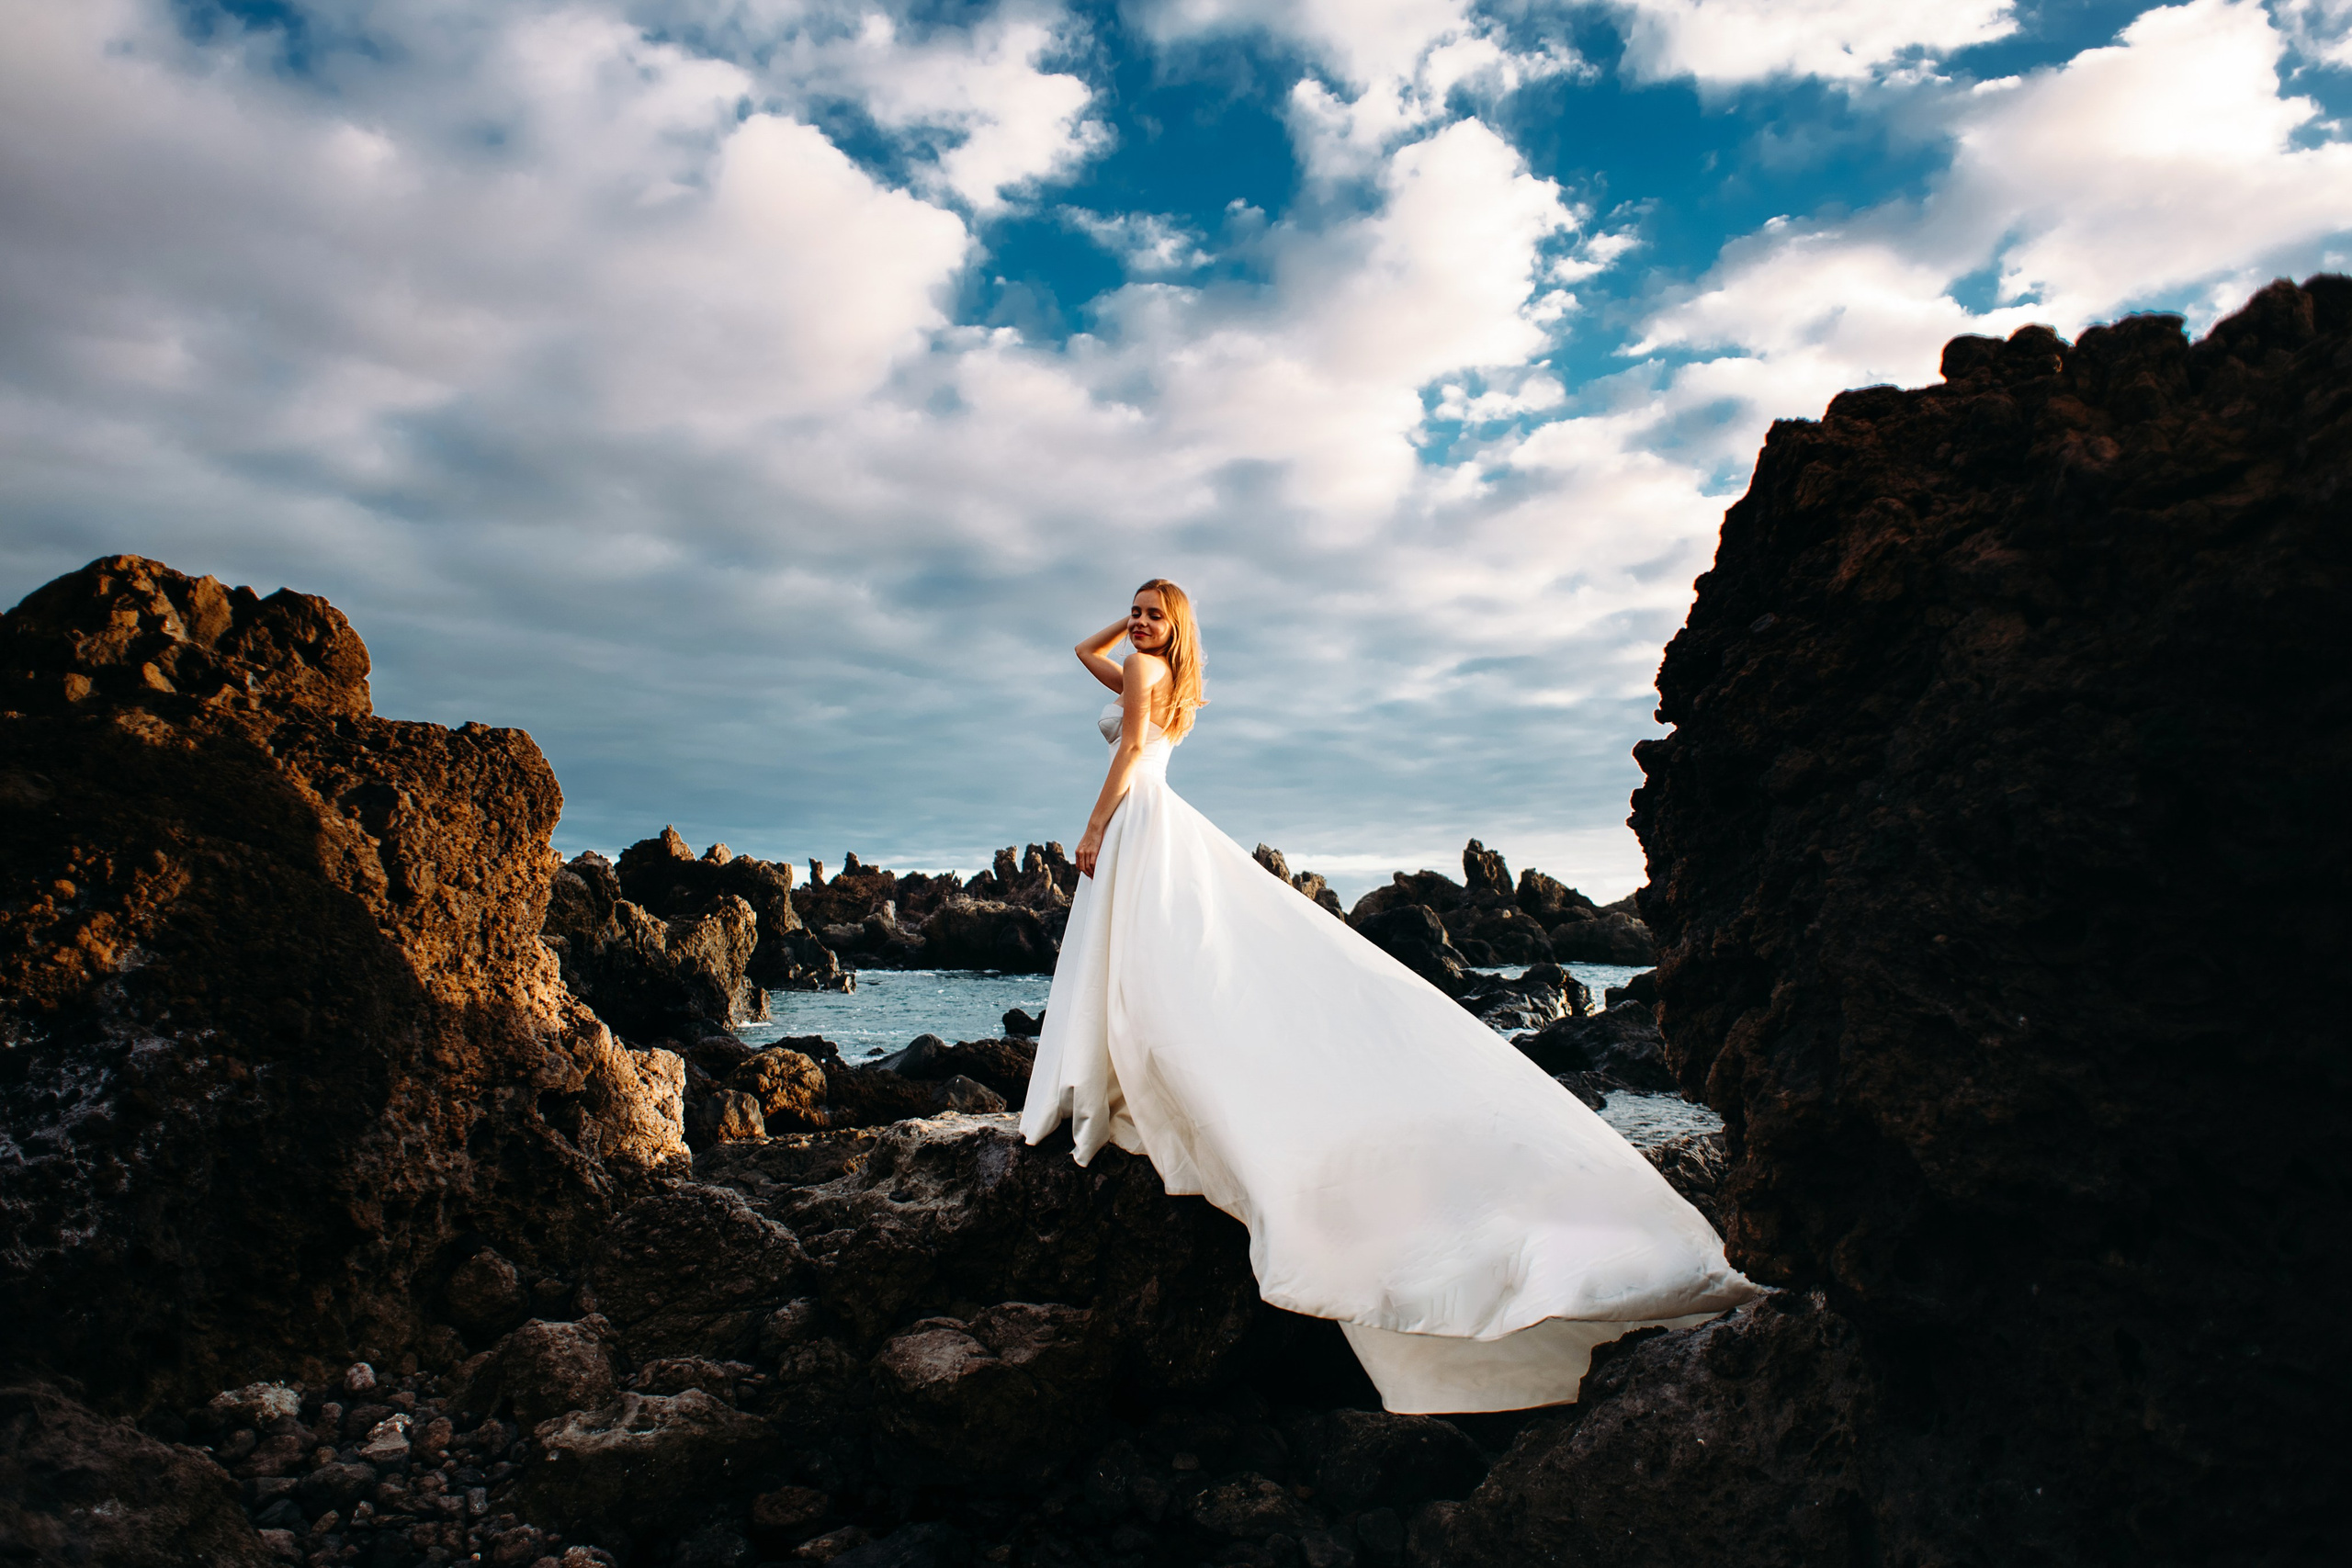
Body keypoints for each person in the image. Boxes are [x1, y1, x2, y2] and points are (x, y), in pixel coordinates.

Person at [1020, 578, 1756, 1414]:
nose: (1138, 626)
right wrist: (1140, 615)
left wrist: (1089, 826)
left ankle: (1132, 1074)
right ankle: (1136, 1068)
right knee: (1154, 957)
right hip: (1157, 817)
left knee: (1147, 958)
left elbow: (1125, 750)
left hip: (1137, 816)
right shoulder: (1163, 673)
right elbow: (1088, 654)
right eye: (1137, 613)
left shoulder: (1147, 674)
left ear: (1172, 629)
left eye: (1153, 615)